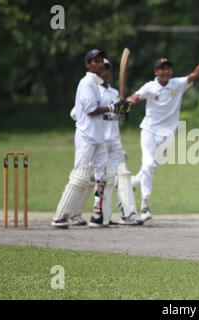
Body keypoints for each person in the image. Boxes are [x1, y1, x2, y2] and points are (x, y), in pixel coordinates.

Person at [127, 43, 199, 222]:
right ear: (156, 72)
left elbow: (195, 74)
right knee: (147, 164)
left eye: (168, 68)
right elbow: (135, 97)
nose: (165, 71)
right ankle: (145, 205)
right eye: (162, 69)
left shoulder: (177, 84)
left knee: (152, 165)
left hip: (168, 133)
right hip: (149, 131)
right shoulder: (149, 87)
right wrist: (126, 102)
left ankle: (132, 183)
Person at [52, 49, 129, 228]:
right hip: (86, 137)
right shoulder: (86, 83)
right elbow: (90, 110)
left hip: (98, 138)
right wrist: (112, 107)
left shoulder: (95, 85)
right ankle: (61, 216)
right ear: (88, 64)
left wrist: (118, 111)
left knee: (105, 177)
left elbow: (100, 113)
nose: (100, 63)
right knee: (80, 175)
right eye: (95, 61)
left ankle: (99, 215)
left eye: (101, 60)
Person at [69, 58, 142, 226]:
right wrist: (109, 112)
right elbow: (76, 114)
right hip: (96, 140)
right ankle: (80, 214)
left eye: (108, 68)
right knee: (90, 177)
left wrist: (123, 111)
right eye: (103, 68)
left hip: (114, 140)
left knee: (122, 175)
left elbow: (119, 118)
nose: (105, 71)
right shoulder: (91, 89)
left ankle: (127, 213)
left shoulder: (115, 93)